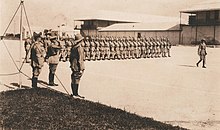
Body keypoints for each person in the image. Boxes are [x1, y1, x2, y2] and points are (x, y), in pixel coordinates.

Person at [69, 34, 85, 98]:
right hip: (77, 66)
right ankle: (76, 94)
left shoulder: (74, 47)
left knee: (73, 79)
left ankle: (73, 93)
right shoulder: (79, 48)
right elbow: (80, 59)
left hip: (73, 65)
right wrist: (81, 68)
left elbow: (70, 58)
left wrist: (71, 64)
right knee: (77, 79)